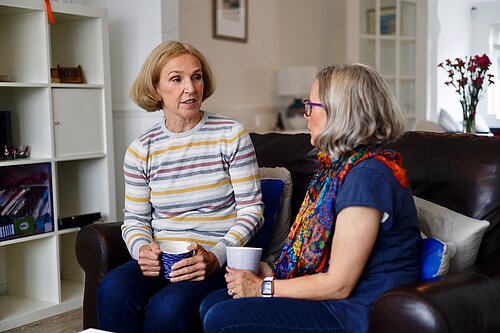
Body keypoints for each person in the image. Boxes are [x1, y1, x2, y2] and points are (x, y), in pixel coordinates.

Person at [200, 63, 421, 333]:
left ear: (340, 113)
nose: (306, 116)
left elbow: (339, 284)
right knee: (212, 302)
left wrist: (262, 287)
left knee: (221, 317)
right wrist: (271, 270)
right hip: (333, 300)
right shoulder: (337, 169)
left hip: (355, 312)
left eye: (311, 106)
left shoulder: (368, 177)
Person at [96, 41, 264, 333]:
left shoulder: (231, 135)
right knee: (112, 288)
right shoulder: (141, 149)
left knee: (167, 309)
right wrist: (141, 251)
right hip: (162, 258)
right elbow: (135, 220)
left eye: (196, 77)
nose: (191, 87)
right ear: (155, 89)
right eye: (177, 79)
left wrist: (216, 256)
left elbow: (252, 211)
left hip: (209, 260)